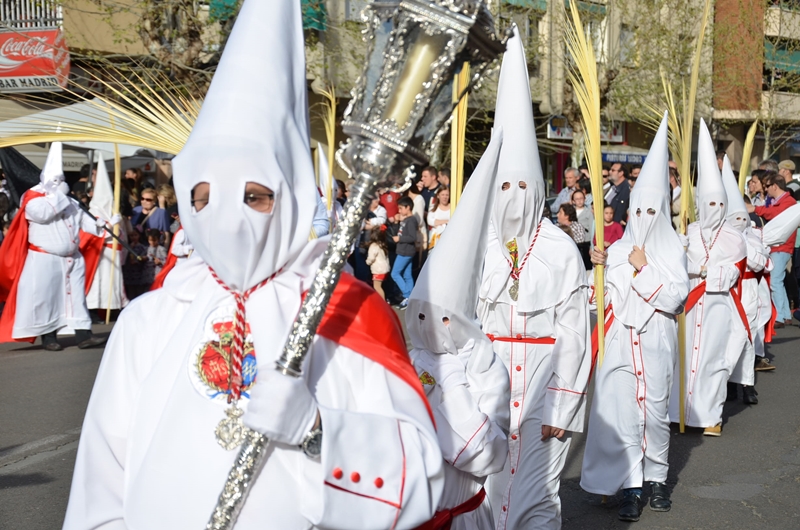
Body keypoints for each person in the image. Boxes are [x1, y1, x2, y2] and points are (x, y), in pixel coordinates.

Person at [63, 2, 443, 527]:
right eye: (203, 198)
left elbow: (420, 476)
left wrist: (317, 432)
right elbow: (100, 485)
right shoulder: (149, 321)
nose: (227, 216)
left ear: (289, 197)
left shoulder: (344, 314)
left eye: (254, 196)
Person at [477, 28, 591, 530]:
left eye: (525, 184)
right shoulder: (475, 249)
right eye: (505, 185)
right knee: (482, 490)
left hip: (544, 384)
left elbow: (574, 332)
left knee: (541, 496)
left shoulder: (560, 249)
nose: (515, 195)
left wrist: (562, 404)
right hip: (490, 387)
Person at [581, 115, 689, 522]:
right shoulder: (617, 246)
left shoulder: (673, 249)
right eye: (637, 208)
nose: (643, 214)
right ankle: (629, 484)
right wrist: (597, 270)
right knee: (625, 413)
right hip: (623, 341)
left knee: (656, 412)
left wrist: (643, 269)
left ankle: (657, 478)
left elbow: (675, 300)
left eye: (651, 208)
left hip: (657, 339)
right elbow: (598, 301)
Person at [407, 131, 509, 530]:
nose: (432, 328)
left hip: (463, 516)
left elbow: (487, 454)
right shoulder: (409, 359)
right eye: (421, 315)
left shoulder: (482, 364)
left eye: (445, 318)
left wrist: (450, 392)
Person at [669, 119, 748, 437]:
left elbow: (733, 273)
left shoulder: (735, 237)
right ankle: (678, 413)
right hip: (688, 303)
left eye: (720, 204)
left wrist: (703, 271)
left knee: (712, 360)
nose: (714, 208)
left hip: (717, 305)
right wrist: (682, 249)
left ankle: (709, 416)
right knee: (683, 360)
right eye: (709, 203)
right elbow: (675, 262)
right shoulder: (688, 231)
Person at [0, 142, 109, 351]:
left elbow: (87, 224)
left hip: (72, 258)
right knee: (46, 298)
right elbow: (43, 214)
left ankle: (83, 335)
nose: (60, 183)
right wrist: (60, 195)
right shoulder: (33, 202)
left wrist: (102, 224)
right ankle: (48, 337)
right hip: (44, 258)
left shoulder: (71, 202)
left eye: (62, 180)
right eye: (56, 180)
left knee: (77, 297)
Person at [720, 155, 772, 405]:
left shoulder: (753, 238)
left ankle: (747, 386)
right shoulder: (722, 239)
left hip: (749, 292)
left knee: (747, 338)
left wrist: (742, 248)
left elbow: (761, 263)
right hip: (728, 293)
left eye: (743, 218)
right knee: (727, 338)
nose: (740, 223)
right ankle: (728, 385)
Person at [747, 171, 797, 326]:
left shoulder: (788, 202)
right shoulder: (779, 201)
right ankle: (785, 314)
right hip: (778, 246)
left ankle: (780, 317)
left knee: (775, 281)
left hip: (782, 246)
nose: (765, 189)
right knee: (777, 281)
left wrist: (754, 209)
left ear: (775, 186)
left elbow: (774, 214)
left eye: (767, 186)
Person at [85, 154, 129, 314]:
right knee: (99, 281)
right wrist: (110, 224)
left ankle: (115, 306)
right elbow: (93, 233)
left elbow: (122, 235)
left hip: (114, 251)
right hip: (100, 253)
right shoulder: (91, 212)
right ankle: (96, 308)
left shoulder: (114, 212)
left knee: (114, 281)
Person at [392, 197, 419, 309]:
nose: (399, 211)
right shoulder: (406, 220)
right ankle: (411, 299)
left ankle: (407, 294)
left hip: (405, 251)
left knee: (395, 273)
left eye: (401, 208)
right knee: (407, 275)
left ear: (408, 208)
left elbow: (412, 237)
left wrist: (399, 239)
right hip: (405, 251)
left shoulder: (411, 221)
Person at [365, 226, 390, 300]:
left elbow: (371, 258)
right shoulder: (382, 244)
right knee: (380, 286)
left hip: (378, 270)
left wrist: (367, 262)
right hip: (384, 269)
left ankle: (382, 302)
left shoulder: (374, 246)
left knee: (377, 287)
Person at [123, 230, 149, 299]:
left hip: (139, 275)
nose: (133, 237)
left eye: (135, 235)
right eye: (131, 236)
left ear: (139, 235)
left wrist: (137, 261)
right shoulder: (126, 247)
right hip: (129, 275)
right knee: (130, 294)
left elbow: (144, 257)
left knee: (139, 294)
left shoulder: (143, 247)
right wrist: (130, 248)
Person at [427, 186, 451, 251]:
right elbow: (430, 221)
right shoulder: (434, 208)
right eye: (442, 195)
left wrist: (438, 222)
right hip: (436, 239)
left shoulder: (453, 208)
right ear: (438, 196)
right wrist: (446, 221)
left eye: (447, 195)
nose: (445, 197)